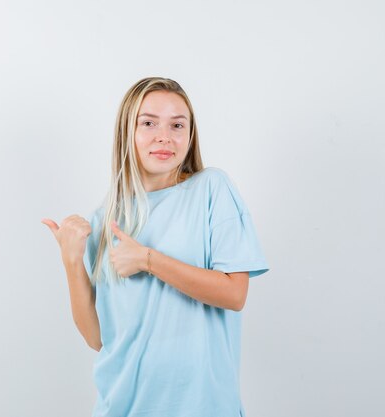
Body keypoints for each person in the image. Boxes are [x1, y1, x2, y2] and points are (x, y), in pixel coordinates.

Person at [42, 77, 269, 417]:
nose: (165, 136)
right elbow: (98, 338)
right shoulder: (105, 218)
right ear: (127, 132)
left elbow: (234, 294)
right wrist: (72, 262)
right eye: (148, 123)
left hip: (202, 407)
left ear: (190, 136)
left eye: (178, 125)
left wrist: (148, 260)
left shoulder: (211, 189)